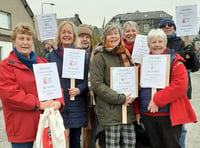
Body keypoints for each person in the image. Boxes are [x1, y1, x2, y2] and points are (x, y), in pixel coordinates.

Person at [0, 23, 65, 148]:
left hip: (46, 123)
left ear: (33, 41)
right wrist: (39, 104)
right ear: (14, 41)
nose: (25, 42)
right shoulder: (5, 66)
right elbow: (11, 95)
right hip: (21, 126)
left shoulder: (44, 63)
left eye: (28, 39)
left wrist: (59, 102)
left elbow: (56, 87)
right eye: (21, 38)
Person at [138, 28, 197, 148]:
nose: (157, 45)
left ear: (165, 43)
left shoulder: (175, 61)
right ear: (148, 45)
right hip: (147, 115)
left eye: (160, 41)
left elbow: (180, 86)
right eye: (153, 42)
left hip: (168, 115)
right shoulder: (143, 63)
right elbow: (137, 88)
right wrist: (137, 111)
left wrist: (157, 99)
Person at [90, 22, 137, 148]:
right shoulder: (99, 57)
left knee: (130, 144)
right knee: (112, 145)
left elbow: (133, 78)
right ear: (104, 37)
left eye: (116, 33)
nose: (113, 36)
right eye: (109, 34)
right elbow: (97, 84)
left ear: (120, 35)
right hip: (110, 111)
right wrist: (120, 98)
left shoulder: (126, 55)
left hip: (128, 110)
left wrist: (133, 95)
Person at [47, 21, 89, 148]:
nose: (66, 35)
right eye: (63, 32)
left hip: (76, 104)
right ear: (59, 35)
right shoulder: (50, 56)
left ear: (74, 36)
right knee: (58, 140)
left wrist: (80, 89)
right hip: (57, 104)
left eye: (69, 32)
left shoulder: (83, 56)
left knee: (75, 141)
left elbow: (89, 80)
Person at [159, 18, 199, 148]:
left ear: (175, 28)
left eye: (170, 25)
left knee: (180, 127)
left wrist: (191, 55)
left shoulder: (182, 43)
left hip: (179, 92)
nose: (167, 27)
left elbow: (194, 67)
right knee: (164, 127)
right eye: (163, 26)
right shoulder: (156, 44)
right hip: (161, 91)